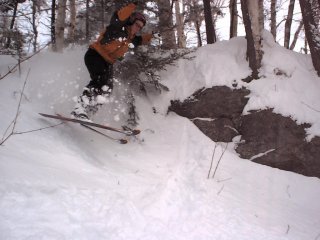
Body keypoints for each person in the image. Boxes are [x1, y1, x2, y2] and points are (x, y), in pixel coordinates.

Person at [71, 2, 155, 120]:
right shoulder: (118, 26)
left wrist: (153, 36)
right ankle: (80, 108)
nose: (138, 28)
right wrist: (133, 4)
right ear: (131, 21)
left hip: (107, 62)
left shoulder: (131, 39)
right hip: (95, 55)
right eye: (137, 24)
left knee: (108, 89)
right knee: (100, 82)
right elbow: (120, 16)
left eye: (140, 27)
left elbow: (141, 40)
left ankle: (88, 112)